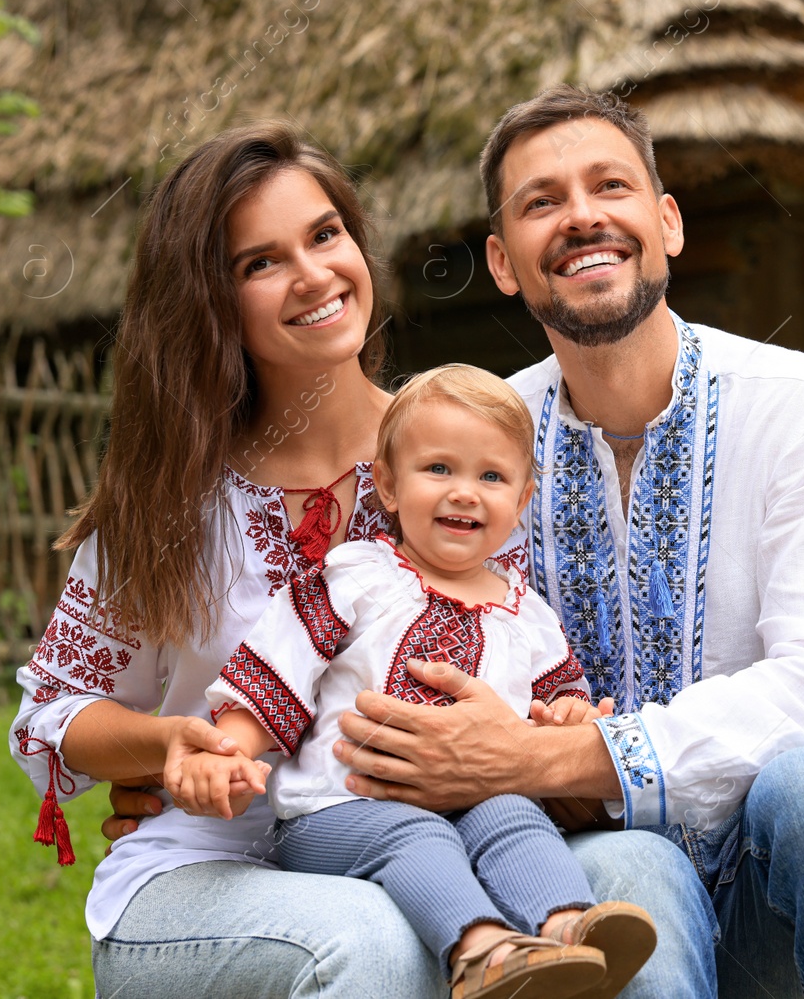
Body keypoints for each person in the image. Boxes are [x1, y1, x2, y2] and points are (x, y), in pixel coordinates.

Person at [9, 122, 713, 999]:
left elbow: (534, 665)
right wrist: (170, 747)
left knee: (639, 865)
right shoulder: (166, 502)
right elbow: (53, 715)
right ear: (209, 299)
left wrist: (551, 734)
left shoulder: (467, 459)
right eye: (258, 263)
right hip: (208, 870)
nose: (312, 274)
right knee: (372, 934)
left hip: (459, 830)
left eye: (325, 234)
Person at [326, 86, 804, 999]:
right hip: (575, 889)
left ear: (667, 223)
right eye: (541, 201)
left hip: (771, 886)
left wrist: (545, 755)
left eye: (610, 186)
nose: (582, 217)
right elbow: (344, 628)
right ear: (503, 263)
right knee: (635, 872)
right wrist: (183, 757)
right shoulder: (469, 447)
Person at [171, 364, 657, 999]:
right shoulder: (356, 576)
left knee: (513, 810)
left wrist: (570, 718)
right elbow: (275, 673)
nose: (464, 492)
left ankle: (566, 931)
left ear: (522, 502)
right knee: (416, 831)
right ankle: (481, 953)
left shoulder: (527, 613)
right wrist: (228, 752)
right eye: (439, 469)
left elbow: (558, 695)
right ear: (389, 486)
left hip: (471, 799)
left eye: (491, 476)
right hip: (339, 811)